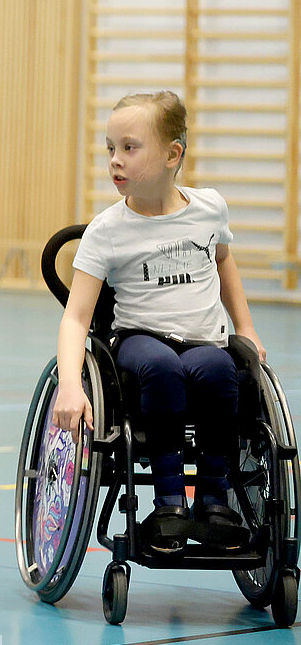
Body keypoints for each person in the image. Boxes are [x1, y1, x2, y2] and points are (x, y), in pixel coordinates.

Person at [51, 91, 265, 553]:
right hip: (139, 341)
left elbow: (224, 263)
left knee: (219, 370)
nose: (115, 161)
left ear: (173, 154)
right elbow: (76, 318)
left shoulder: (209, 208)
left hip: (204, 340)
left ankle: (215, 501)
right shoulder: (106, 230)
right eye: (110, 148)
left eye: (129, 148)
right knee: (162, 368)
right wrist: (71, 383)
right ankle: (169, 503)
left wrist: (245, 327)